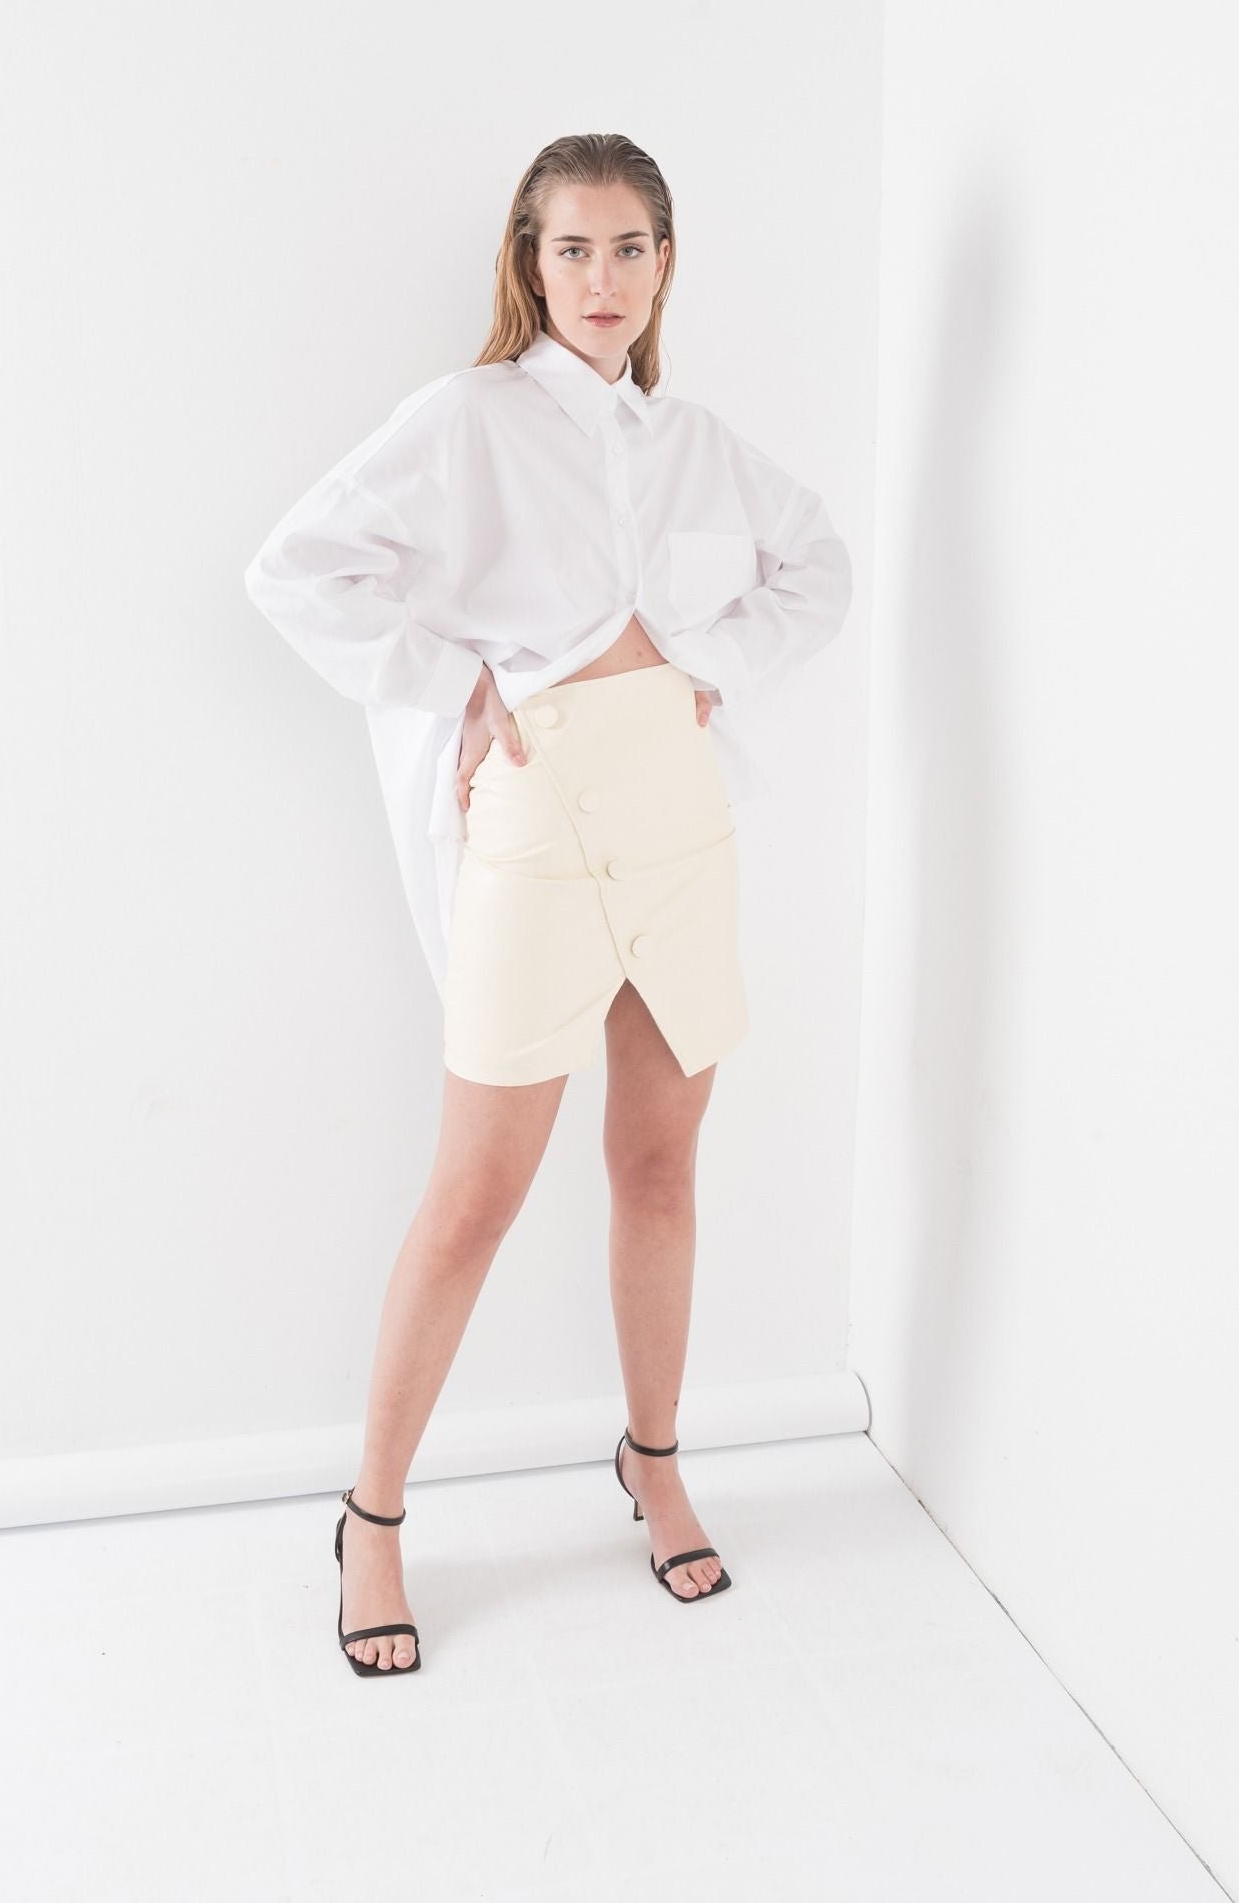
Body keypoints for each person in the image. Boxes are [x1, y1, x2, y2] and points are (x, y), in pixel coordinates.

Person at [244, 132, 853, 1676]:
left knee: (658, 1163)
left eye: (630, 247)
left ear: (665, 263)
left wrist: (711, 668)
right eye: (572, 248)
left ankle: (654, 1459)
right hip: (533, 812)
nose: (602, 278)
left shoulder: (693, 439)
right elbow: (296, 569)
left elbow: (817, 568)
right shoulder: (468, 417)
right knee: (475, 1194)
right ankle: (372, 1517)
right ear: (529, 261)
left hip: (680, 817)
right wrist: (456, 684)